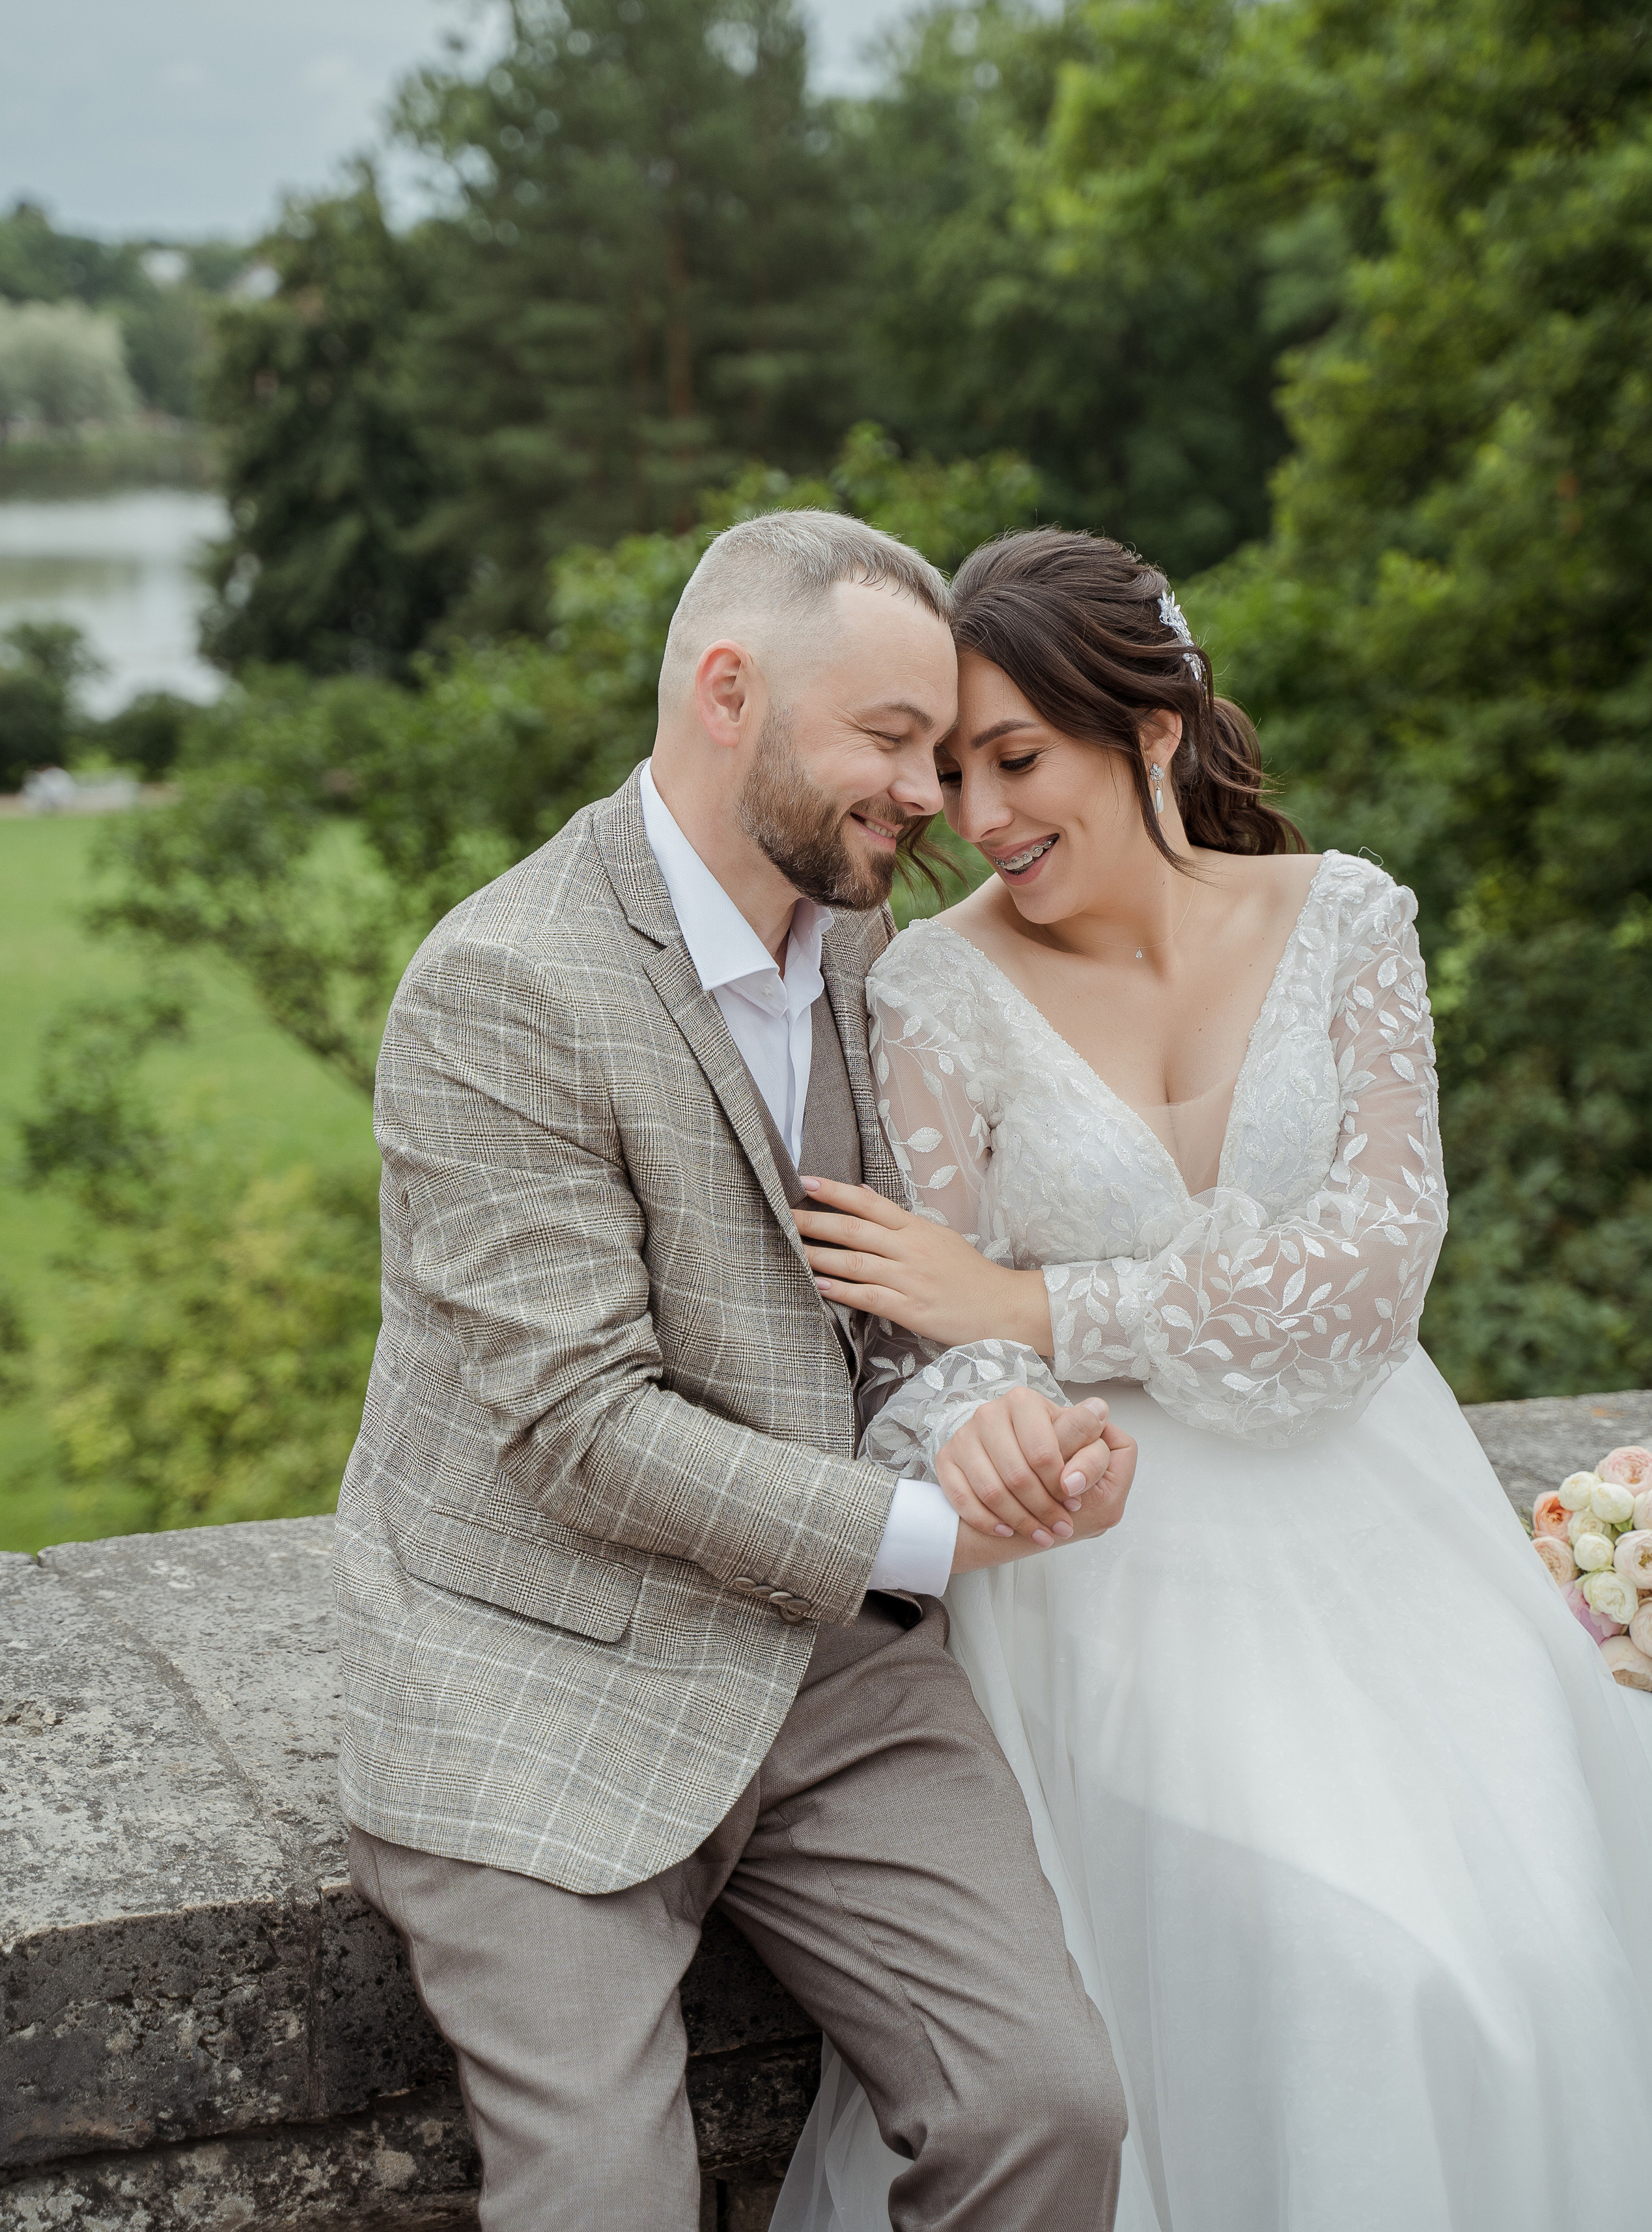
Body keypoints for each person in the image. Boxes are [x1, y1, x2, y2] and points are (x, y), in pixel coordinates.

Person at [774, 529, 1652, 2232]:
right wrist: (998, 1416)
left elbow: (1372, 1277)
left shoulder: (1347, 922)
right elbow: (920, 1342)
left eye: (1018, 759)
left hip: (1389, 1535)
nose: (979, 811)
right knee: (1349, 1966)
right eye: (952, 770)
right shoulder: (935, 994)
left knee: (1541, 1945)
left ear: (1155, 732)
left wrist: (1043, 1302)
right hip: (1118, 1571)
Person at [333, 510, 1134, 2232]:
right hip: (543, 1673)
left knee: (1048, 2109)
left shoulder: (868, 952)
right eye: (892, 742)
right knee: (608, 2198)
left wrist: (1003, 1422)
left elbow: (909, 1300)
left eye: (943, 746)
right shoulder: (502, 986)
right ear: (726, 693)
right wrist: (928, 1534)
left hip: (830, 1679)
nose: (937, 796)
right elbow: (576, 1432)